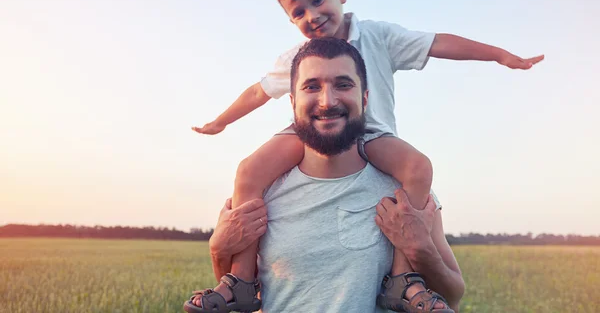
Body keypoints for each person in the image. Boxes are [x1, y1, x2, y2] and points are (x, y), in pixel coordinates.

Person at [190, 0, 543, 311]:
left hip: (374, 135)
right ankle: (240, 282)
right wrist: (221, 122)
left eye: (318, 1)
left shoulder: (377, 36)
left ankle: (404, 280)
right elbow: (257, 92)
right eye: (298, 13)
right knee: (248, 171)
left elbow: (437, 44)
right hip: (304, 135)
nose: (311, 16)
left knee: (418, 168)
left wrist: (498, 55)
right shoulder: (298, 58)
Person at [185, 38, 465, 312]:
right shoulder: (261, 191)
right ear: (292, 102)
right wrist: (218, 251)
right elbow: (242, 300)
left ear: (365, 98)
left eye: (343, 85)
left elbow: (452, 297)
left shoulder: (404, 194)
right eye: (312, 86)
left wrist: (420, 248)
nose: (327, 101)